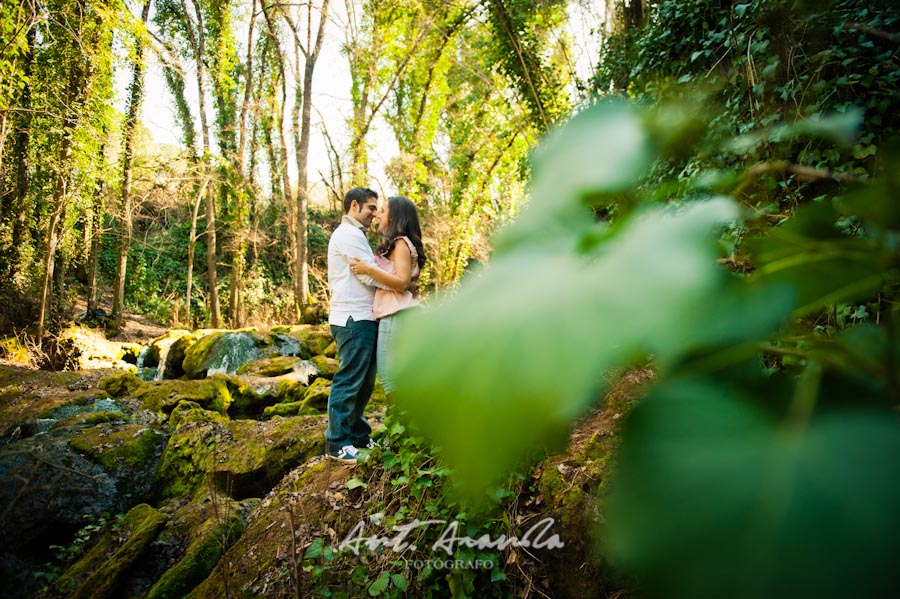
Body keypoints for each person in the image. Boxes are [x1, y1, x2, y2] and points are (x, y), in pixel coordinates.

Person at [326, 187, 386, 464]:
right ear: (354, 205)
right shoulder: (349, 235)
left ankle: (358, 435)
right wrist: (400, 283)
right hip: (352, 317)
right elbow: (370, 277)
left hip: (363, 315)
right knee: (349, 380)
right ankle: (337, 443)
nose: (375, 213)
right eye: (371, 207)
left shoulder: (355, 234)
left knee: (364, 381)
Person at [349, 195, 426, 398]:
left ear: (395, 217)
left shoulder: (401, 243)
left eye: (383, 211)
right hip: (400, 312)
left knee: (388, 378)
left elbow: (402, 283)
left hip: (395, 313)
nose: (378, 215)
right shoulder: (398, 244)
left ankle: (401, 425)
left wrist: (368, 269)